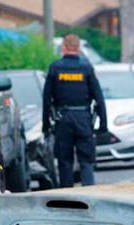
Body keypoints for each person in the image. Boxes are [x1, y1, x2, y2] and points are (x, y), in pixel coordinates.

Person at [42, 34, 107, 187]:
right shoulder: (86, 68)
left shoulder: (55, 68)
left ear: (63, 47)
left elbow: (46, 99)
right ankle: (88, 192)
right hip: (83, 118)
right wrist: (103, 124)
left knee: (64, 160)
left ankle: (67, 194)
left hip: (62, 119)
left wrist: (46, 125)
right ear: (78, 48)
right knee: (86, 160)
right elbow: (98, 97)